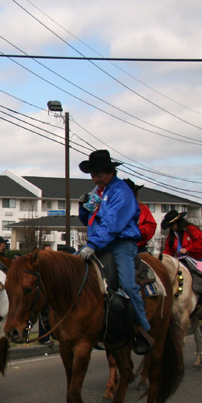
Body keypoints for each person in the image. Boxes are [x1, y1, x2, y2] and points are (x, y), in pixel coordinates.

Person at [77, 150, 153, 355]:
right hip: (100, 242)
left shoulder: (122, 192)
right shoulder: (97, 192)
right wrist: (83, 208)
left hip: (120, 245)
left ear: (111, 172)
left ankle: (142, 329)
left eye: (99, 174)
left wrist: (93, 244)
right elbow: (90, 221)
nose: (95, 179)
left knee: (128, 285)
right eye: (93, 175)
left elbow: (113, 223)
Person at [124, 178, 157, 254]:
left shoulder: (143, 208)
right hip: (117, 248)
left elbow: (150, 228)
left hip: (139, 248)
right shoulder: (112, 208)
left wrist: (135, 229)